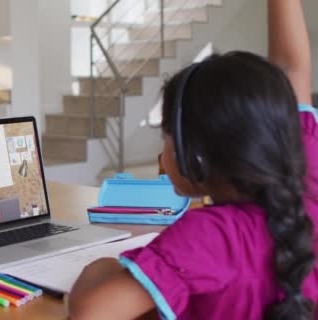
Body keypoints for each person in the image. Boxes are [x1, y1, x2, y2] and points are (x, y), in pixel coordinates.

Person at [68, 0, 318, 319]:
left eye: (166, 135)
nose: (162, 154)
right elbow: (290, 70)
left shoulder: (209, 236)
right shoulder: (307, 168)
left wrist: (101, 266)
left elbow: (93, 312)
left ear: (195, 155)